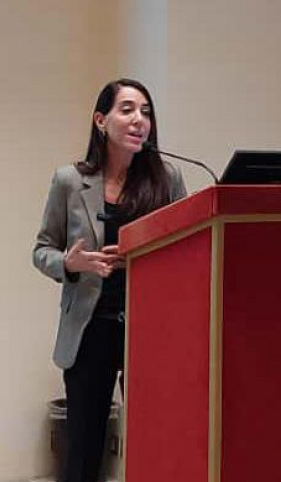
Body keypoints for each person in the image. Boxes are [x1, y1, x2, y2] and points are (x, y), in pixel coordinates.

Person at [33, 78, 187, 482]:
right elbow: (42, 250)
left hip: (149, 329)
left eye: (146, 112)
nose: (139, 120)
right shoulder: (69, 181)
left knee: (157, 440)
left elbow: (184, 250)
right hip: (91, 329)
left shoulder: (168, 180)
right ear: (101, 121)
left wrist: (141, 260)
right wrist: (71, 263)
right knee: (84, 449)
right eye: (128, 110)